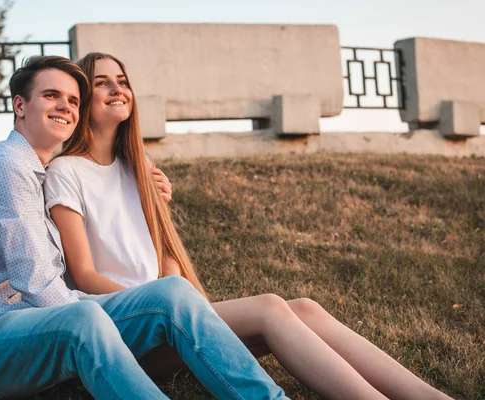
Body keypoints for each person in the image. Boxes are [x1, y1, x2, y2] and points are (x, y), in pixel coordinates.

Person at [44, 52, 453, 400]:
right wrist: (163, 303)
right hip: (123, 331)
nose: (117, 89)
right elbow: (83, 274)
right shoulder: (66, 172)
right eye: (101, 83)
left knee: (305, 309)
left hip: (177, 318)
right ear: (82, 100)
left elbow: (164, 256)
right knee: (270, 307)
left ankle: (431, 397)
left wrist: (180, 297)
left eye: (122, 80)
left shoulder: (140, 169)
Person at [0, 55, 288, 399]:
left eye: (74, 101)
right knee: (85, 317)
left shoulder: (40, 175)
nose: (65, 106)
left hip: (48, 325)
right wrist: (115, 313)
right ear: (20, 105)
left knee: (172, 293)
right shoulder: (7, 165)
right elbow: (36, 281)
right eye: (51, 95)